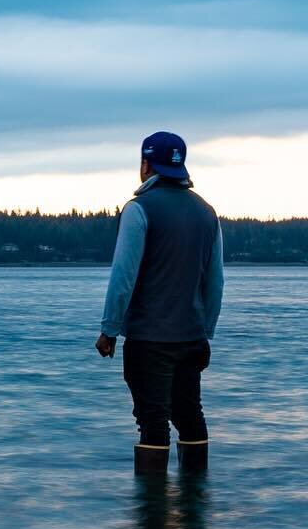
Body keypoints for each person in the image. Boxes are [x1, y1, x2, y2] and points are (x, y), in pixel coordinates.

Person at [96, 131, 224, 474]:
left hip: (149, 342)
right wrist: (205, 331)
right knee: (190, 417)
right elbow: (215, 282)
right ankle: (194, 510)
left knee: (153, 424)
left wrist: (109, 329)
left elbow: (123, 275)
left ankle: (153, 517)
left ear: (145, 164)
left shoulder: (138, 210)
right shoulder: (206, 213)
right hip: (192, 338)